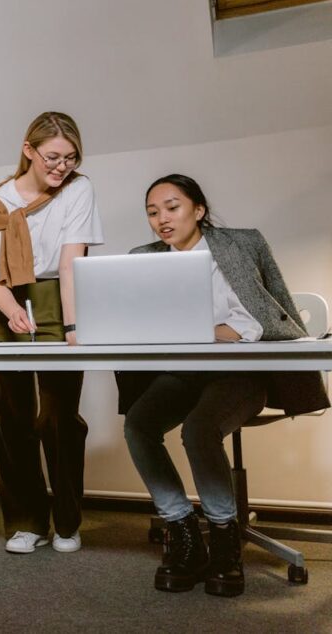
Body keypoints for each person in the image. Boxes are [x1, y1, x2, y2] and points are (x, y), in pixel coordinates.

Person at [119, 174, 329, 597]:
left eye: (172, 207)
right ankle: (182, 530)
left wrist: (210, 330)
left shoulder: (242, 243)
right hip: (183, 373)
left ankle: (223, 537)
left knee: (198, 430)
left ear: (198, 210)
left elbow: (267, 316)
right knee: (139, 425)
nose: (162, 218)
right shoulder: (143, 258)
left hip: (242, 373)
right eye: (152, 211)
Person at [0, 112, 103, 554]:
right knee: (11, 419)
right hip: (3, 302)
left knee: (57, 416)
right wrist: (11, 310)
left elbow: (70, 262)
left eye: (70, 157)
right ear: (29, 151)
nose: (61, 166)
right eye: (52, 156)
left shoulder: (78, 189)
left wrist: (71, 327)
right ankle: (26, 522)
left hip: (57, 296)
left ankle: (67, 522)